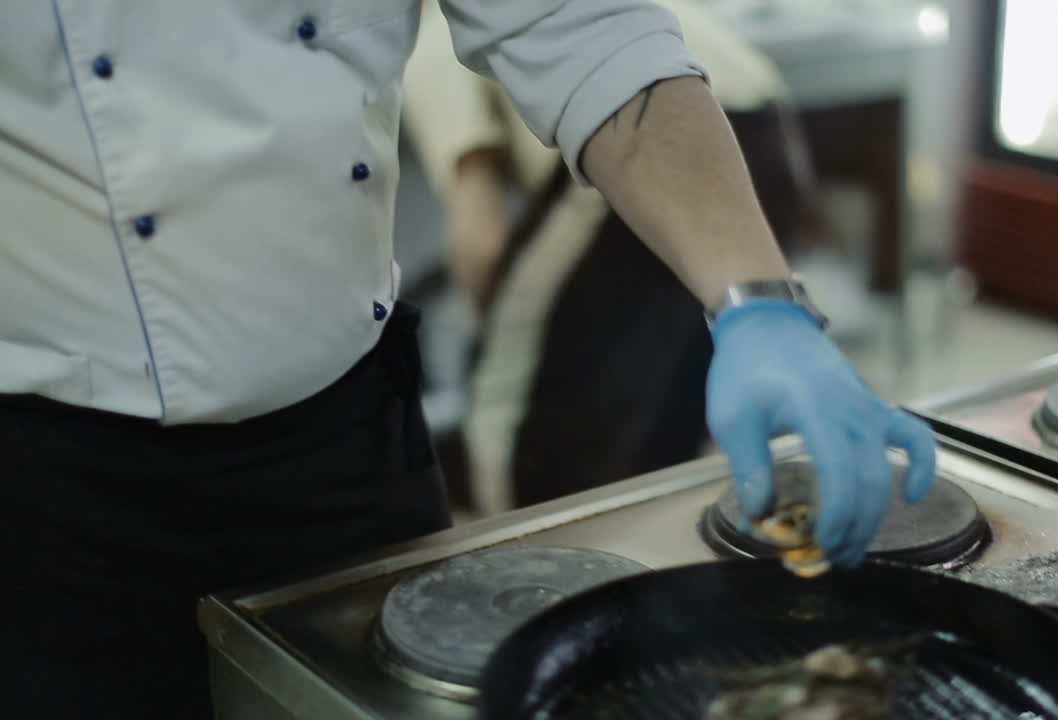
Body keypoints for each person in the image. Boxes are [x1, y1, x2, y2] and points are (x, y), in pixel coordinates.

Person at [0, 1, 937, 717]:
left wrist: (761, 306)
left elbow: (577, 21)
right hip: (49, 481)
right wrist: (477, 191)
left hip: (344, 448)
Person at [403, 0, 812, 513]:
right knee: (668, 415)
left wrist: (501, 329)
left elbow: (480, 237)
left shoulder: (432, 32)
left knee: (511, 423)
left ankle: (531, 576)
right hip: (759, 136)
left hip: (650, 133)